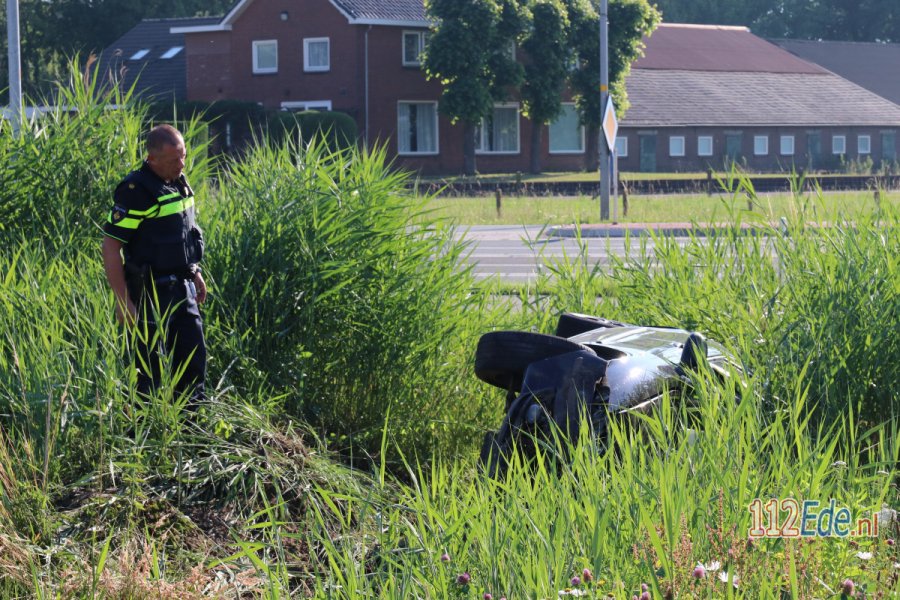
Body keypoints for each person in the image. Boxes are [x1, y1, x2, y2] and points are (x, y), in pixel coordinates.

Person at [101, 124, 207, 406]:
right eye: (174, 160)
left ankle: (193, 437)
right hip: (150, 294)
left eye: (183, 156)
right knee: (147, 378)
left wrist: (194, 271)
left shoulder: (179, 181)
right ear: (153, 159)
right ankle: (143, 440)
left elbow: (185, 234)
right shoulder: (136, 191)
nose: (181, 164)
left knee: (193, 368)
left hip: (183, 290)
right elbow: (111, 248)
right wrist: (124, 302)